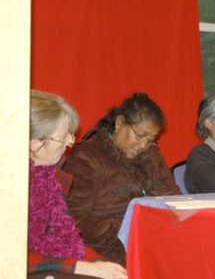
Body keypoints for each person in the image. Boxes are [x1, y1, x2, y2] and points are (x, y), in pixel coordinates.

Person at [27, 90, 155, 279]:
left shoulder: (54, 179)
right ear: (35, 142)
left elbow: (67, 237)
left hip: (52, 264)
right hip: (18, 271)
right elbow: (12, 255)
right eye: (62, 137)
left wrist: (97, 264)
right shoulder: (8, 182)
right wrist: (80, 267)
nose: (69, 143)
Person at [63, 93, 180, 266]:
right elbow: (77, 218)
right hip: (110, 248)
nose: (143, 146)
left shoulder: (151, 155)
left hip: (154, 238)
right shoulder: (87, 157)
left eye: (151, 140)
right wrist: (130, 231)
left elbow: (172, 196)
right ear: (119, 123)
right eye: (140, 136)